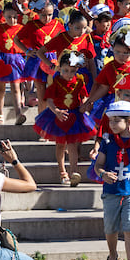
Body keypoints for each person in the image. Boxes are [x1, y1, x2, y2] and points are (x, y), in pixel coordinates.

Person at [94, 101, 130, 260]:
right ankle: (113, 254)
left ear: (129, 121)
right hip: (111, 191)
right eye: (111, 121)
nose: (112, 124)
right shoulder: (107, 141)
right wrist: (103, 174)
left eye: (117, 120)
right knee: (110, 228)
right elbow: (98, 165)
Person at [33, 51, 94, 184]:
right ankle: (62, 172)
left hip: (74, 115)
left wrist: (85, 105)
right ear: (59, 68)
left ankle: (74, 172)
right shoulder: (56, 82)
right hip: (58, 116)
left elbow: (83, 96)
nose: (68, 74)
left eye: (72, 71)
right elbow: (49, 100)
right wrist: (56, 111)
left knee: (72, 145)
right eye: (65, 70)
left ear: (76, 70)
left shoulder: (79, 81)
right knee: (60, 145)